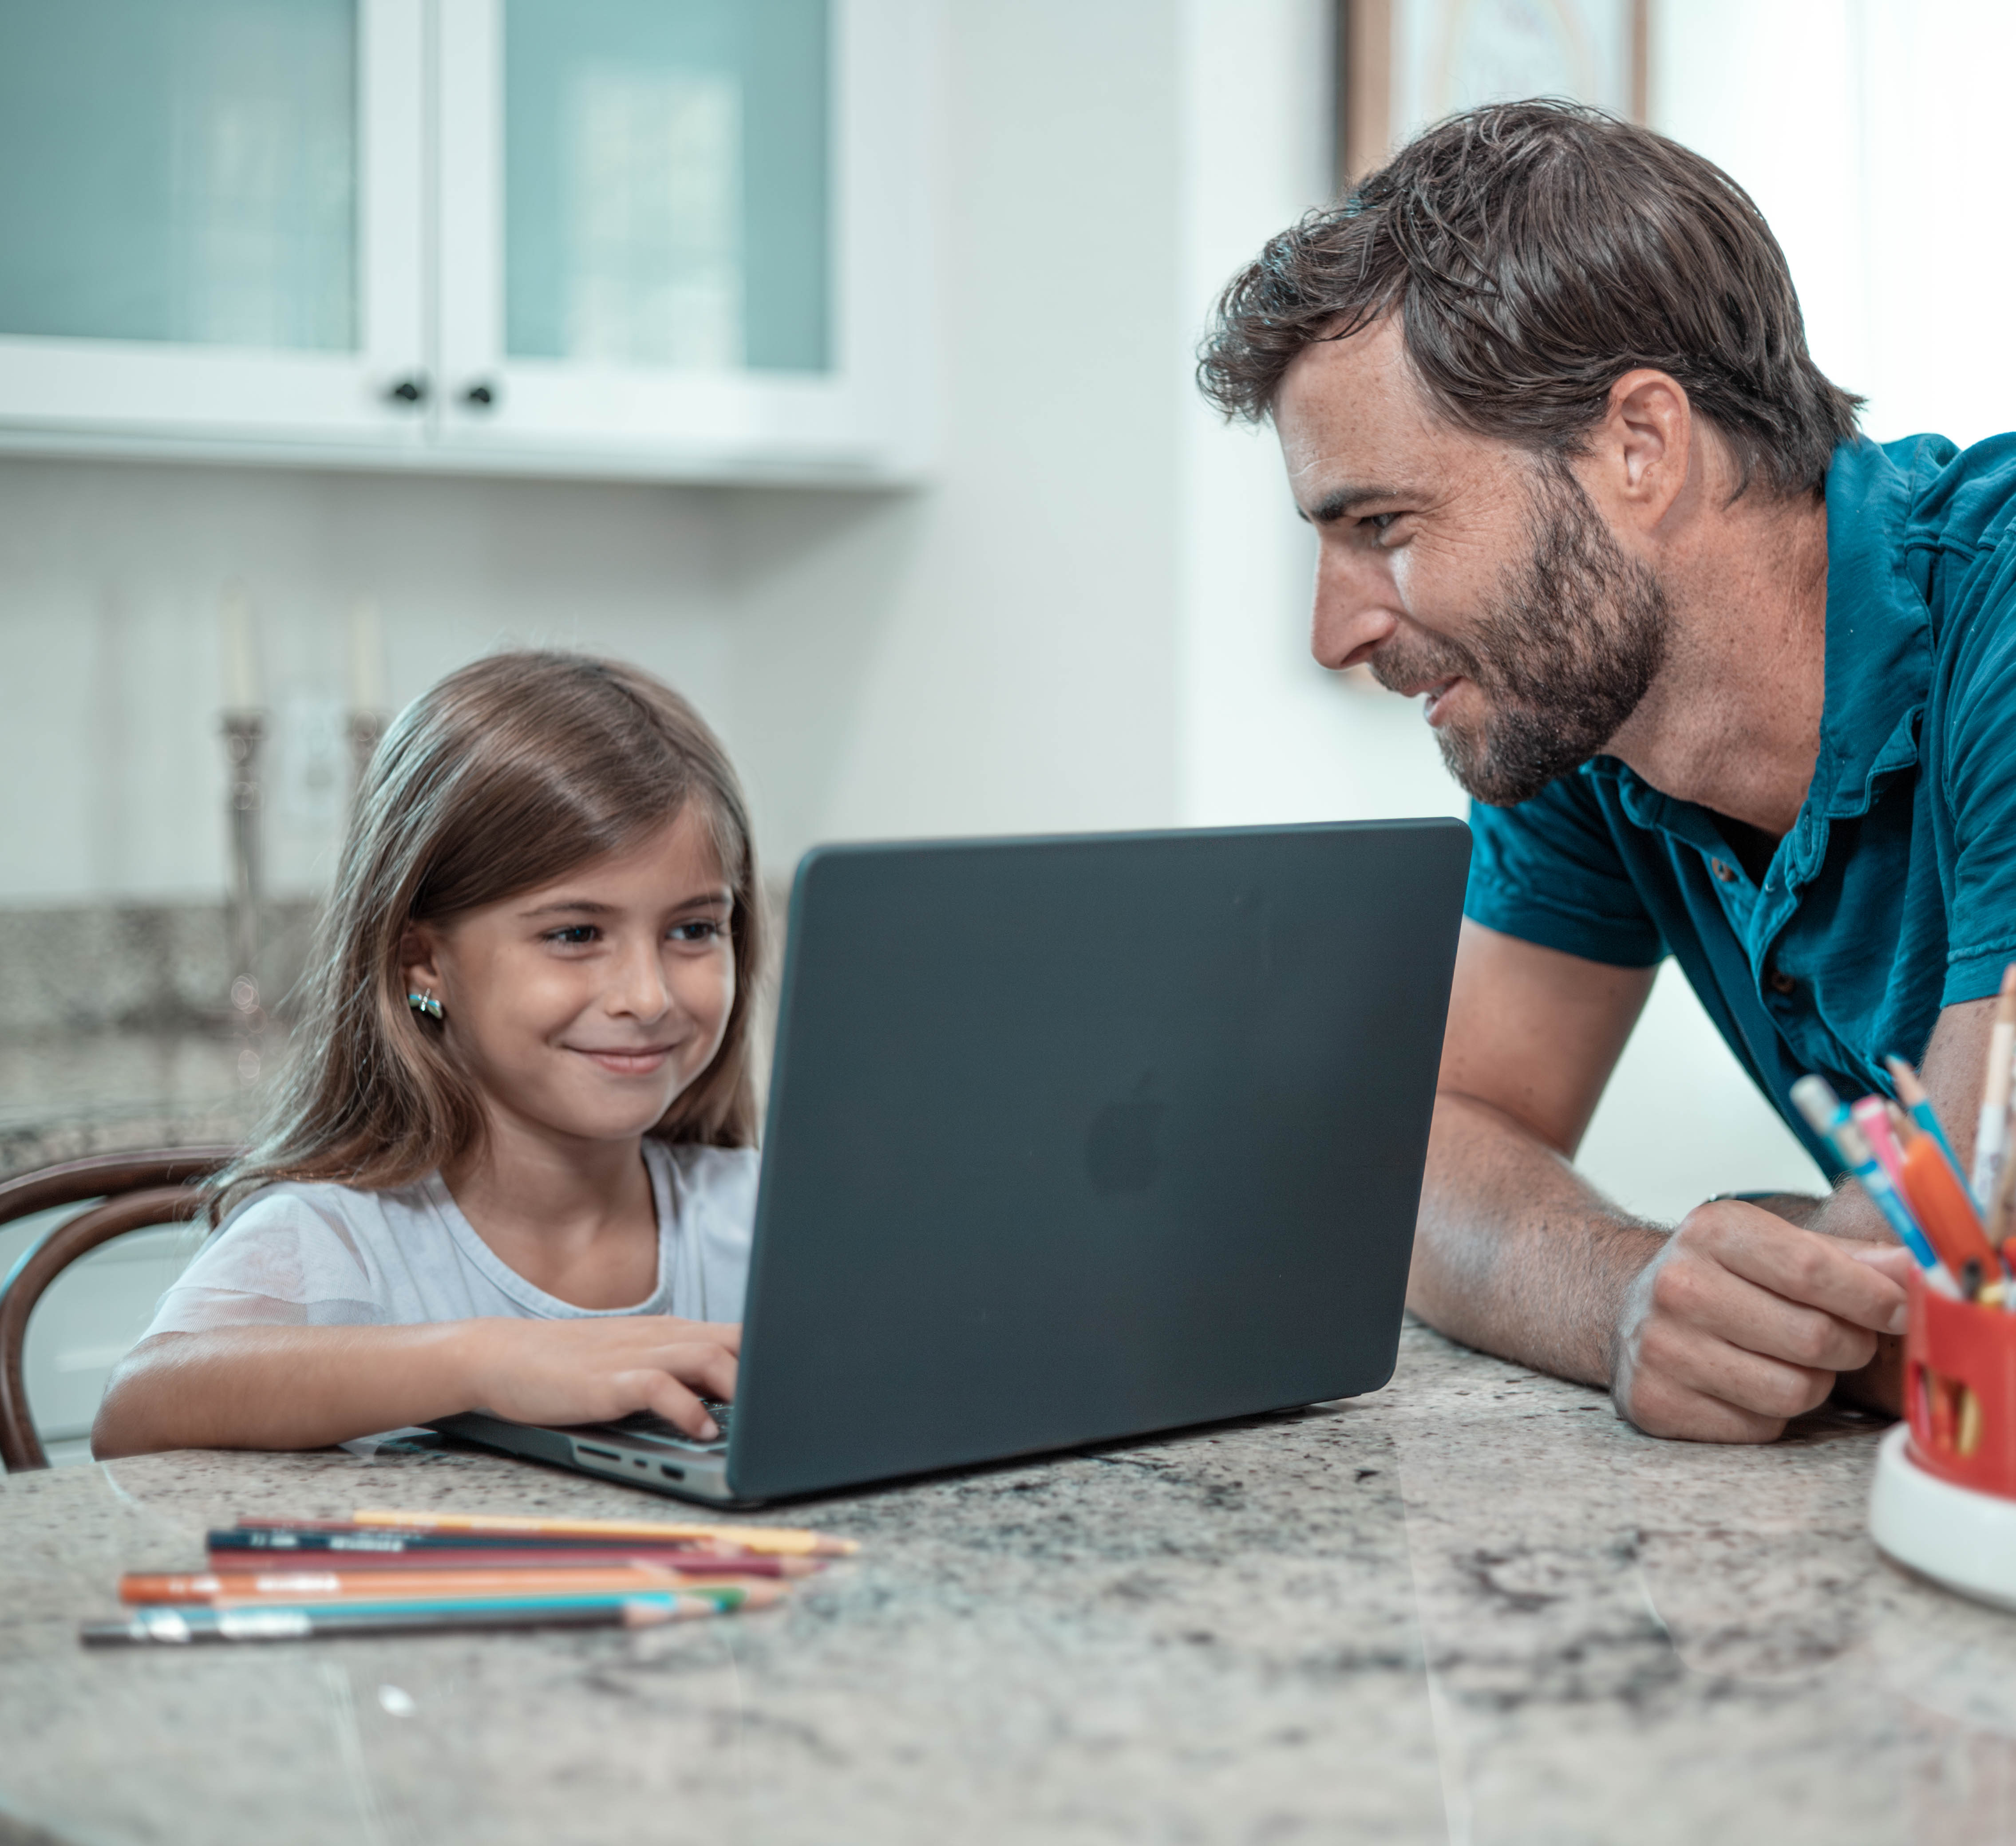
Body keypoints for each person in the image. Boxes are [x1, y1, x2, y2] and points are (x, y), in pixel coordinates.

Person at [1194, 100, 2016, 1443]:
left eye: (1382, 526)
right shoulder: (1583, 718)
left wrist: (1778, 1246)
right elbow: (1429, 1145)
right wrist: (1632, 1291)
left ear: (1638, 446)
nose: (1333, 630)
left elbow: (1953, 1252)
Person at [94, 651, 761, 1457]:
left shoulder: (762, 1215)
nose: (648, 996)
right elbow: (138, 1408)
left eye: (693, 930)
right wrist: (486, 1361)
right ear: (422, 961)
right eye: (576, 934)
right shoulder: (339, 1243)